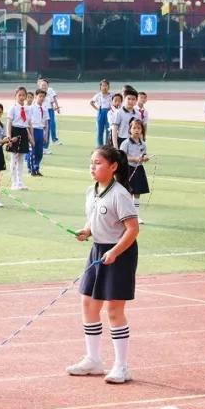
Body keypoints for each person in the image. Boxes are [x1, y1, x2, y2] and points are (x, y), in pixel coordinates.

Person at [67, 145, 139, 384]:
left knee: (114, 310)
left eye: (97, 163)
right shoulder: (92, 191)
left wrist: (115, 252)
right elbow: (94, 219)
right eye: (91, 163)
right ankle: (93, 360)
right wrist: (86, 231)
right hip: (98, 250)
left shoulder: (120, 194)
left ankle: (121, 366)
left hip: (120, 253)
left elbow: (132, 229)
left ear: (113, 166)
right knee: (88, 304)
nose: (92, 167)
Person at [120, 119, 150, 220]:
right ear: (130, 130)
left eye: (139, 128)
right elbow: (122, 157)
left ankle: (136, 216)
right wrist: (134, 159)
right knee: (128, 192)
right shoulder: (126, 143)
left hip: (139, 169)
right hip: (129, 169)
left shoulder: (143, 144)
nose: (136, 130)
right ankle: (126, 215)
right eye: (134, 128)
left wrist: (145, 158)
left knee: (137, 192)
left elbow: (144, 154)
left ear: (142, 130)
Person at [7, 87, 35, 191]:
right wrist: (9, 136)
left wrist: (31, 137)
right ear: (15, 96)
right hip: (15, 131)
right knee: (14, 158)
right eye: (19, 95)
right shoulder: (13, 108)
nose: (22, 97)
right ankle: (14, 183)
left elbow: (28, 124)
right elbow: (9, 123)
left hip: (24, 132)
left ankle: (20, 182)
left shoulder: (28, 109)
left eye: (24, 95)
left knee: (21, 159)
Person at [28, 89, 49, 176]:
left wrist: (46, 135)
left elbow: (46, 122)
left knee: (40, 152)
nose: (41, 98)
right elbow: (29, 121)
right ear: (36, 97)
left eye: (43, 97)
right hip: (33, 129)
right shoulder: (31, 108)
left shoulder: (44, 108)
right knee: (32, 151)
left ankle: (36, 167)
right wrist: (31, 135)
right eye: (40, 96)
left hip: (40, 130)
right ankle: (31, 169)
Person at [89, 79, 113, 148]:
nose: (104, 87)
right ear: (100, 87)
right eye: (103, 85)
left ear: (108, 87)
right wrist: (97, 109)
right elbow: (91, 102)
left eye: (106, 85)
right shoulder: (98, 95)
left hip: (109, 112)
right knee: (100, 130)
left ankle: (107, 146)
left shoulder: (112, 95)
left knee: (108, 130)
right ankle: (100, 146)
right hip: (101, 112)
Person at [38, 77, 60, 147]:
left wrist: (56, 107)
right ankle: (42, 144)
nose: (44, 86)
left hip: (50, 110)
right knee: (42, 127)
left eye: (45, 85)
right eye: (42, 85)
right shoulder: (39, 93)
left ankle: (51, 141)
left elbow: (52, 101)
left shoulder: (50, 91)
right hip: (42, 111)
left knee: (51, 125)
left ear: (48, 85)